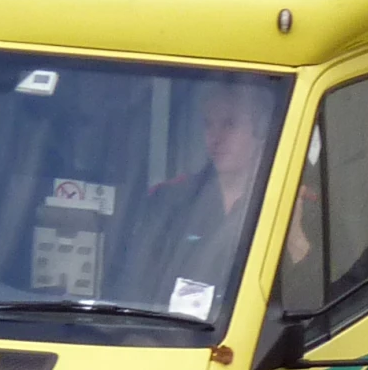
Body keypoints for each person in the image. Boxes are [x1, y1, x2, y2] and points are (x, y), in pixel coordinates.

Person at [111, 82, 282, 317]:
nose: (216, 137)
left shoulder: (284, 201)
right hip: (168, 338)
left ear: (260, 131)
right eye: (208, 124)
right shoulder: (171, 200)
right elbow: (134, 283)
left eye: (229, 124)